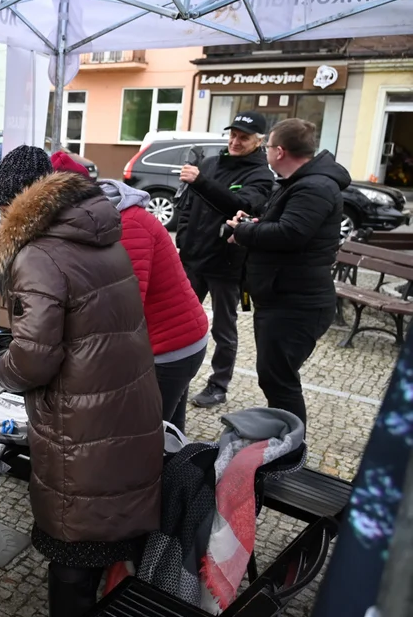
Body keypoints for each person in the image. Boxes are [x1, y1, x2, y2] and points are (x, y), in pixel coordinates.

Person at [0, 146, 163, 617]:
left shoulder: (37, 254)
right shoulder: (103, 232)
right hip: (125, 407)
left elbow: (35, 357)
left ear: (17, 206)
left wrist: (0, 372)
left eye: (3, 208)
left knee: (74, 545)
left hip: (81, 422)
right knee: (105, 535)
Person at [228, 119, 349, 426]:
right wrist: (255, 224)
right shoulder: (301, 183)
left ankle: (291, 451)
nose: (266, 152)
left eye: (268, 146)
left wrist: (243, 233)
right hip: (282, 297)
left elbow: (291, 234)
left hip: (296, 304)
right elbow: (287, 227)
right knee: (274, 378)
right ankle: (283, 440)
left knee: (279, 380)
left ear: (279, 151)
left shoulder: (315, 186)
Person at [97, 171, 210, 432]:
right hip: (175, 340)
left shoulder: (129, 225)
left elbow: (126, 306)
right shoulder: (111, 220)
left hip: (171, 348)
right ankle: (178, 470)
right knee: (170, 432)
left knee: (144, 437)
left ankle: (164, 471)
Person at [176, 110, 274, 409]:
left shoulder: (260, 175)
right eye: (233, 134)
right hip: (193, 259)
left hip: (227, 264)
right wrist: (183, 239)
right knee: (180, 321)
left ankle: (218, 385)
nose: (235, 141)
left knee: (223, 329)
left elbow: (242, 204)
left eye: (243, 137)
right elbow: (188, 206)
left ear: (259, 141)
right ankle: (175, 376)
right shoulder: (210, 163)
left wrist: (202, 181)